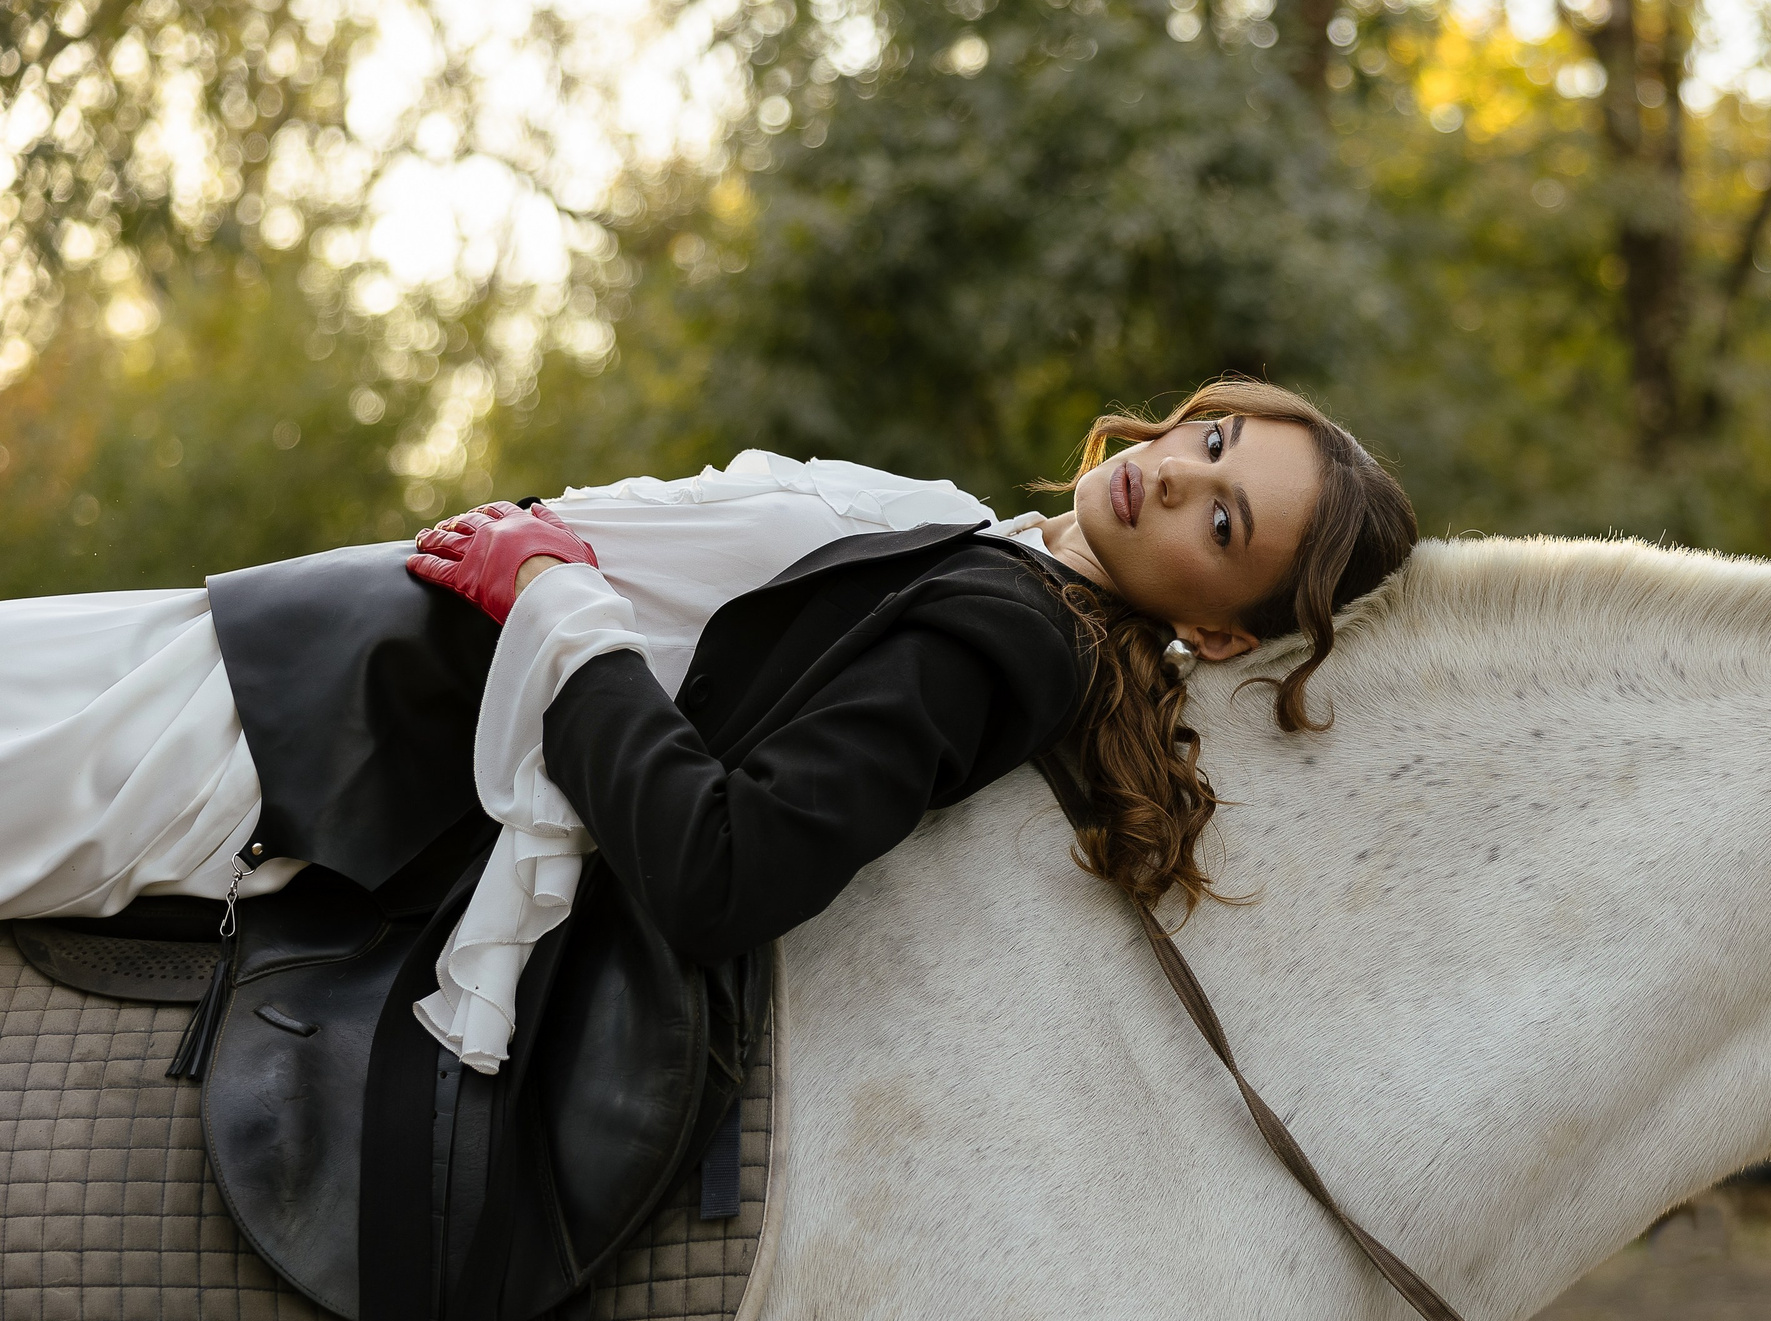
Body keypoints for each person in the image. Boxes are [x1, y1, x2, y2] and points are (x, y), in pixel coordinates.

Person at [0, 377, 1419, 1068]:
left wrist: (554, 597)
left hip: (314, 746)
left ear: (1222, 629)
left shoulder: (1005, 639)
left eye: (1225, 522)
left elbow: (724, 871)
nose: (1179, 479)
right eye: (1214, 443)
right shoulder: (990, 543)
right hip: (296, 648)